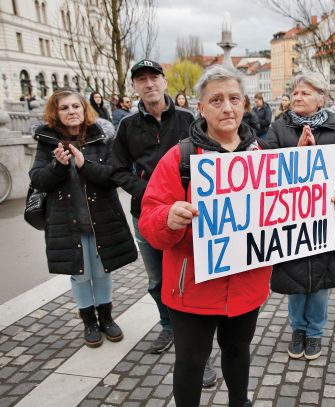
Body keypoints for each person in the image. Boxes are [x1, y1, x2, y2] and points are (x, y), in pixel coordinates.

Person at [138, 65, 279, 407]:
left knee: (238, 351)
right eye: (216, 100)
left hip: (246, 283)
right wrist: (168, 218)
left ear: (244, 104)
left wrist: (318, 203)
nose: (227, 107)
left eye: (234, 98)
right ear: (201, 108)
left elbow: (283, 211)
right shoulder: (180, 157)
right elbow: (149, 220)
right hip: (193, 287)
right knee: (190, 362)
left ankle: (239, 402)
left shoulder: (263, 158)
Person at [110, 59, 215, 384]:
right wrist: (149, 190)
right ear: (135, 87)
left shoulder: (187, 119)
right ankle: (168, 327)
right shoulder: (127, 125)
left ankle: (203, 356)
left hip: (192, 219)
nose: (149, 84)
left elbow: (210, 154)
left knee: (194, 283)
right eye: (141, 79)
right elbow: (117, 169)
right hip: (148, 216)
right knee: (157, 281)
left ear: (164, 81)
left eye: (153, 77)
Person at [29, 89, 137, 348]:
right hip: (67, 221)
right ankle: (89, 321)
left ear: (84, 108)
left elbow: (113, 176)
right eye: (64, 108)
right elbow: (37, 179)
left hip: (100, 217)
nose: (71, 111)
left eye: (76, 106)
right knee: (80, 273)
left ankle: (106, 318)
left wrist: (83, 165)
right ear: (56, 113)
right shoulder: (47, 141)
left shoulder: (102, 137)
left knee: (102, 271)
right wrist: (57, 166)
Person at [267, 73, 335, 360]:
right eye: (295, 92)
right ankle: (297, 328)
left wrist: (315, 156)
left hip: (326, 215)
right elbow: (264, 160)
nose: (297, 97)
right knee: (294, 277)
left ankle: (315, 332)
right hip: (290, 215)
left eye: (305, 93)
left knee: (320, 279)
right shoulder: (279, 126)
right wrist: (295, 154)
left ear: (321, 98)